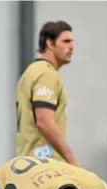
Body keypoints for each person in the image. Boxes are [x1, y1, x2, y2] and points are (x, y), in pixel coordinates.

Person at [16, 21, 78, 166]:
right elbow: (44, 122)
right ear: (50, 44)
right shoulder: (46, 74)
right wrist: (71, 160)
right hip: (43, 166)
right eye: (66, 41)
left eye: (72, 42)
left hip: (25, 162)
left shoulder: (31, 71)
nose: (72, 46)